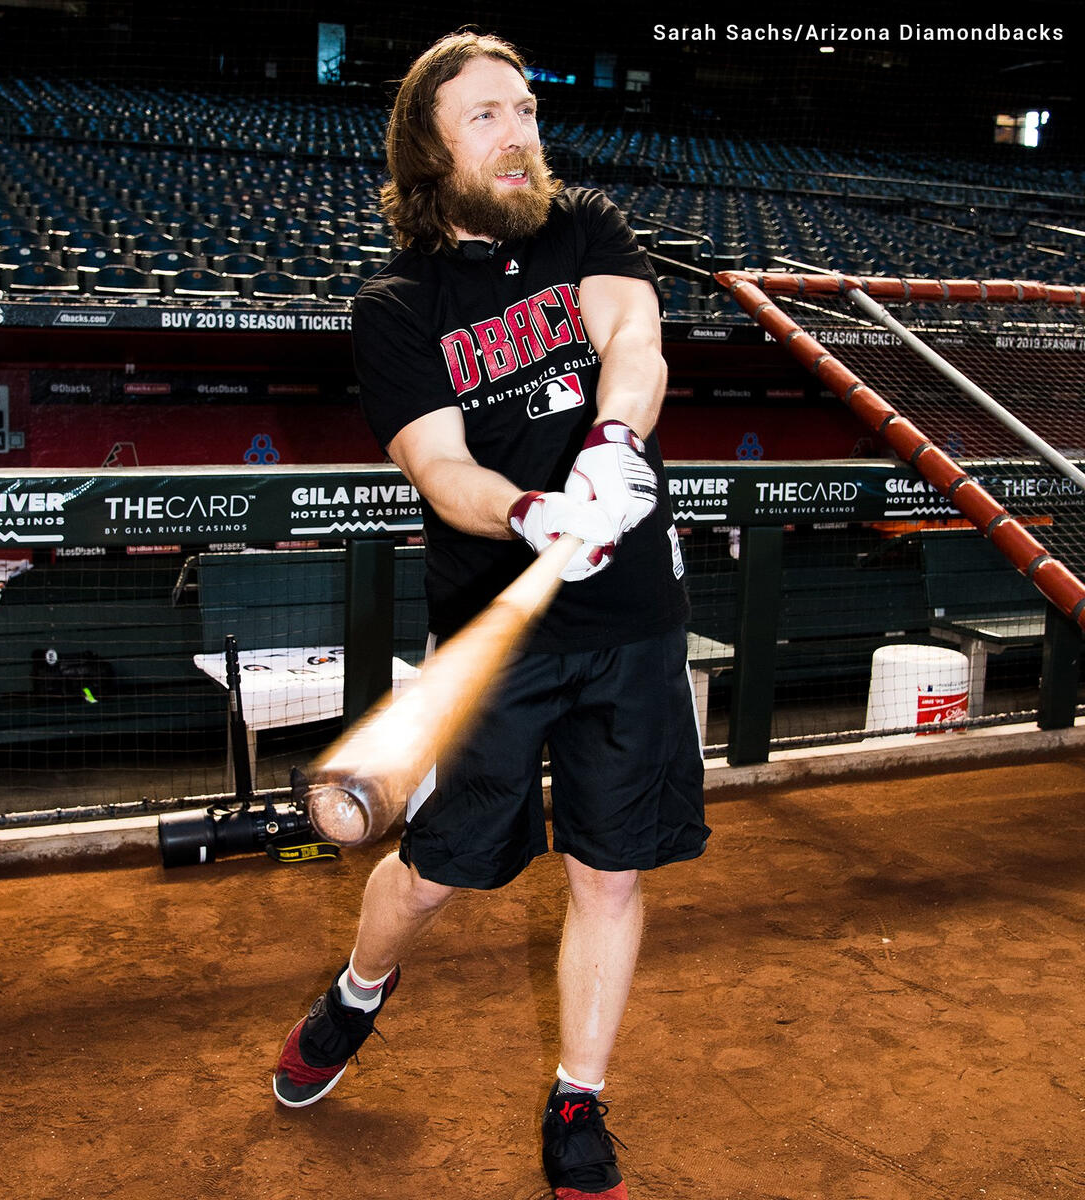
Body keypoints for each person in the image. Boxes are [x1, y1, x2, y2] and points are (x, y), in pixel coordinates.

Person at [273, 31, 709, 1200]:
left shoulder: (587, 231)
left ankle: (580, 1095)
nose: (518, 135)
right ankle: (361, 990)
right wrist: (526, 512)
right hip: (492, 641)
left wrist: (614, 443)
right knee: (434, 873)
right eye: (484, 119)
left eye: (523, 112)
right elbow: (438, 467)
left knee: (611, 874)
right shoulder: (398, 305)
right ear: (429, 149)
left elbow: (635, 341)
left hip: (630, 620)